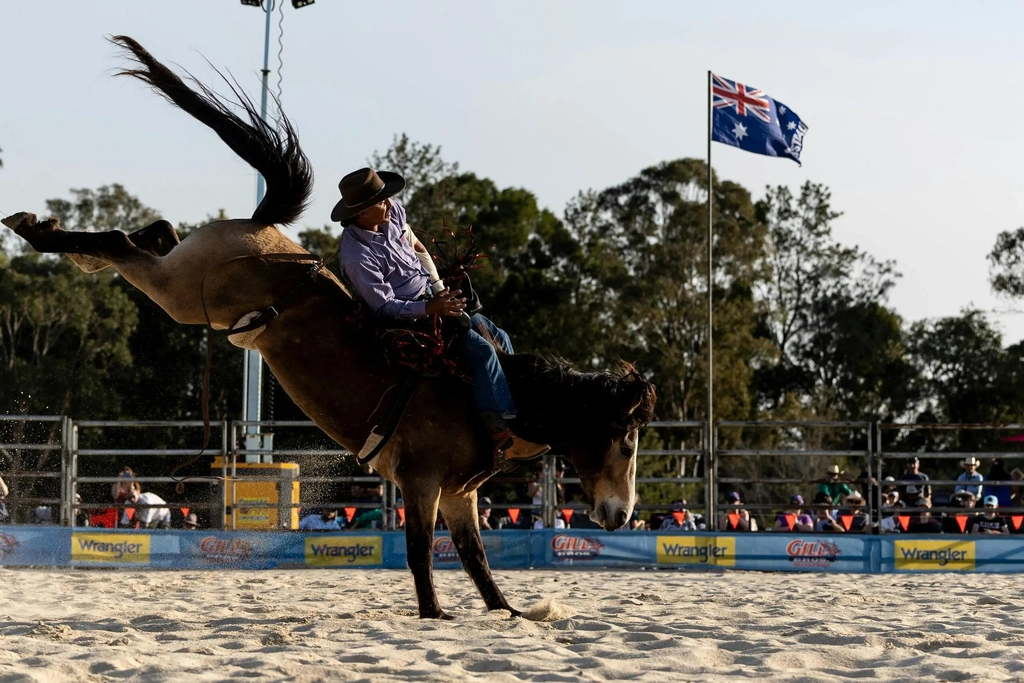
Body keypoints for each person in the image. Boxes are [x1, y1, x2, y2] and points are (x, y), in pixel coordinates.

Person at [333, 168, 548, 467]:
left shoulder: (390, 215)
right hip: (408, 317)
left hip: (433, 297)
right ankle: (504, 434)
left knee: (498, 336)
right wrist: (431, 308)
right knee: (482, 350)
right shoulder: (356, 256)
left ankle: (516, 407)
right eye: (381, 200)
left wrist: (439, 289)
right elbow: (383, 307)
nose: (389, 202)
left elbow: (417, 246)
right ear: (362, 211)